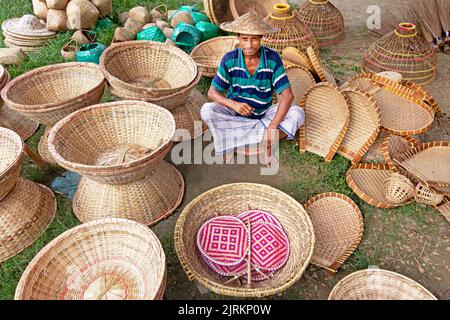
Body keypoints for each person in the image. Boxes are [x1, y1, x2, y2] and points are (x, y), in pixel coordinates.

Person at [200, 11, 305, 163]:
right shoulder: (229, 59)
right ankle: (259, 139)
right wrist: (234, 104)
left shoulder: (272, 58)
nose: (249, 45)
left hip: (264, 115)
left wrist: (273, 126)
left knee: (298, 113)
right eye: (245, 39)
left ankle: (240, 139)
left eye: (254, 39)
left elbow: (288, 96)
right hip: (235, 115)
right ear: (238, 38)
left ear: (261, 38)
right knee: (207, 111)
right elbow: (212, 92)